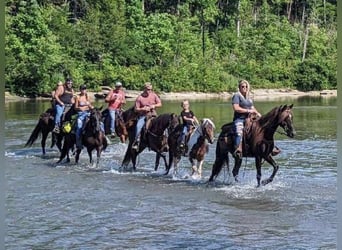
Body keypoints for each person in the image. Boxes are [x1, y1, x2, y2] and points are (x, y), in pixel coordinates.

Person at [231, 79, 261, 159]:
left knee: (261, 128)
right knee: (238, 131)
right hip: (240, 119)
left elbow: (252, 107)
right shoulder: (236, 96)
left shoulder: (248, 97)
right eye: (243, 86)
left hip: (250, 118)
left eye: (246, 86)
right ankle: (238, 149)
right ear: (239, 88)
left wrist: (257, 113)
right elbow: (236, 108)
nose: (245, 88)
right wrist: (248, 111)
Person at [132, 82, 162, 150]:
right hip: (144, 116)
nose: (149, 91)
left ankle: (164, 141)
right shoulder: (139, 98)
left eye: (150, 89)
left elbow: (160, 103)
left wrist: (154, 105)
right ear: (144, 89)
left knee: (163, 124)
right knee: (138, 126)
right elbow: (136, 109)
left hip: (153, 114)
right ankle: (137, 141)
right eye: (148, 89)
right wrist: (142, 109)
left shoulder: (154, 95)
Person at [74, 84, 94, 150]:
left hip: (88, 113)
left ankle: (104, 138)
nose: (84, 90)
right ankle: (78, 143)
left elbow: (90, 106)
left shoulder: (87, 96)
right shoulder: (78, 97)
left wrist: (91, 107)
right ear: (80, 90)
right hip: (81, 114)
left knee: (99, 123)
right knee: (79, 127)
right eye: (82, 89)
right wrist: (80, 109)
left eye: (85, 89)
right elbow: (75, 107)